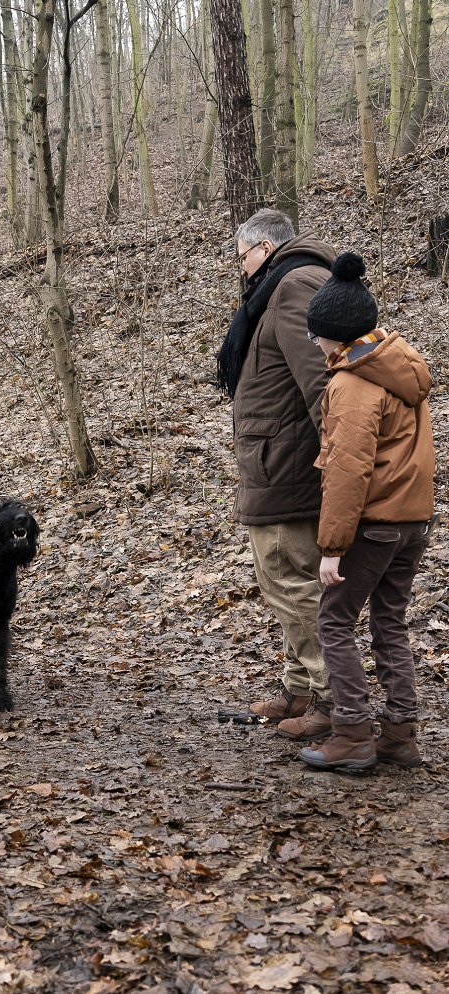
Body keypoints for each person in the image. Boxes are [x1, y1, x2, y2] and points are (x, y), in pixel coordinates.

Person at [299, 252, 435, 771]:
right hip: (411, 521)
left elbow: (347, 471)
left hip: (374, 524)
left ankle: (351, 732)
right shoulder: (403, 366)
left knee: (334, 621)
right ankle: (400, 734)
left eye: (317, 335)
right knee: (389, 622)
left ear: (336, 333)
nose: (316, 344)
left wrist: (332, 548)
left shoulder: (352, 384)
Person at [217, 208, 336, 740]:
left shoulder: (291, 289)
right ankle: (300, 689)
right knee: (284, 583)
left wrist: (336, 470)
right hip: (274, 466)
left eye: (241, 257)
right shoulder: (283, 289)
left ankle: (332, 699)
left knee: (293, 583)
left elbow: (321, 387)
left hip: (287, 470)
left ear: (263, 249)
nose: (240, 269)